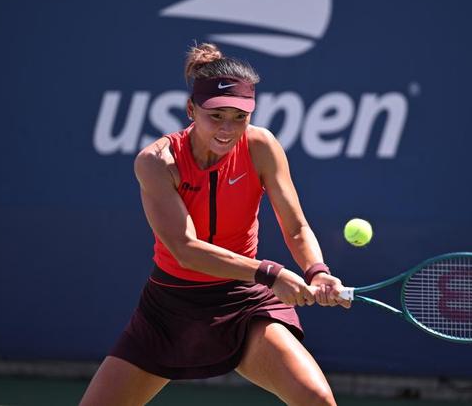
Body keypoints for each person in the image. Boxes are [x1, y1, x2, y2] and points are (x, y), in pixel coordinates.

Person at [80, 43, 349, 406]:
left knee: (316, 398)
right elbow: (185, 249)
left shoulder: (261, 146)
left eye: (239, 117)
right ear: (191, 109)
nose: (227, 128)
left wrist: (317, 271)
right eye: (216, 115)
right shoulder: (157, 162)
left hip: (243, 300)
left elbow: (296, 227)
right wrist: (270, 273)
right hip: (170, 307)